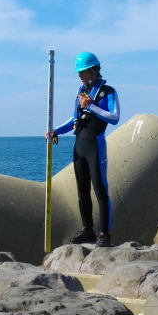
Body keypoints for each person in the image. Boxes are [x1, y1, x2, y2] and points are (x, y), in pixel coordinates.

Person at [46, 51, 120, 247]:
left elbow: (114, 117)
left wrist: (92, 106)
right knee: (82, 190)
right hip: (79, 144)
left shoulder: (107, 91)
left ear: (94, 70)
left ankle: (104, 233)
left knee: (100, 189)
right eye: (79, 72)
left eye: (83, 71)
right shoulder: (81, 92)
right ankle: (88, 230)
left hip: (95, 144)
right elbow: (74, 120)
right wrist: (56, 131)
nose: (80, 75)